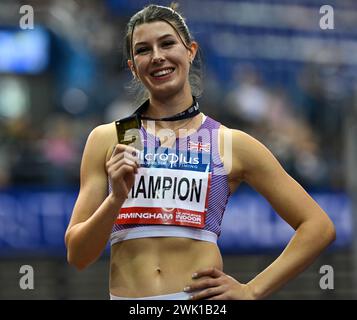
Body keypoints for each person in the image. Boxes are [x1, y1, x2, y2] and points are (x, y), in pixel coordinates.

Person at [64, 3, 336, 300]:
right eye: (143, 50)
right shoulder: (111, 138)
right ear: (132, 66)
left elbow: (318, 227)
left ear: (190, 51)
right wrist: (116, 198)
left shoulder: (229, 143)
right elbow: (78, 256)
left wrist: (252, 290)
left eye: (167, 43)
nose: (157, 57)